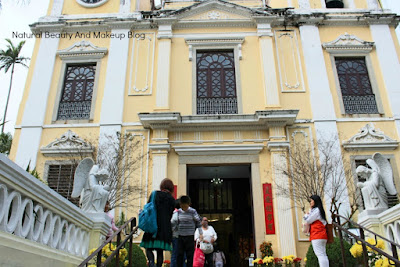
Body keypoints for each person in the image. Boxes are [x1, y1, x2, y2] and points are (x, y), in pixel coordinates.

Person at [140, 178, 176, 267]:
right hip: (164, 228)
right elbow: (170, 214)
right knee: (160, 251)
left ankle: (151, 262)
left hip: (152, 225)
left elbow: (148, 207)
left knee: (148, 247)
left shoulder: (154, 194)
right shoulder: (172, 199)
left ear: (162, 186)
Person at [171, 195, 202, 267]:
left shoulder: (192, 211)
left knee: (190, 255)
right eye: (182, 205)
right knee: (180, 255)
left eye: (185, 206)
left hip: (190, 236)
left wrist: (201, 233)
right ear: (180, 204)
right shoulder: (178, 212)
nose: (184, 207)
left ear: (189, 204)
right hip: (180, 236)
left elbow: (198, 222)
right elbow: (173, 223)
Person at [303, 195, 329, 267]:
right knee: (323, 254)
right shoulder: (319, 210)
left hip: (317, 235)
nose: (310, 202)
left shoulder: (316, 211)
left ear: (315, 201)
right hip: (322, 235)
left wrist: (306, 215)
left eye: (311, 201)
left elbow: (308, 220)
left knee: (320, 254)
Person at [171, 199, 186, 267]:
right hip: (178, 237)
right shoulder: (177, 213)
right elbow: (173, 221)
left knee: (181, 255)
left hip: (179, 236)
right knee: (177, 254)